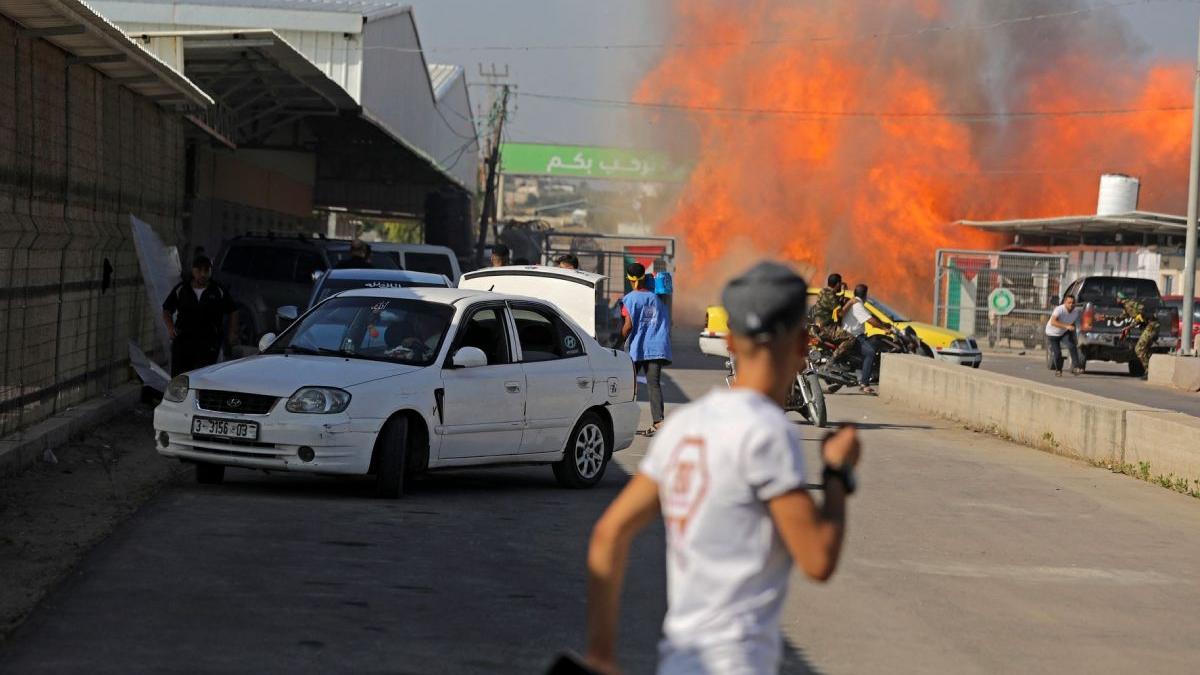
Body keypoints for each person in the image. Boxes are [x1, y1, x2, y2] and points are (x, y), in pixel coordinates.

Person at [585, 261, 860, 675]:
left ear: (730, 342)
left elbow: (609, 535)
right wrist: (837, 474)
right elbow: (818, 559)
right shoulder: (767, 432)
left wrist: (602, 655)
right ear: (803, 346)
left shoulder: (684, 427)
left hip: (678, 661)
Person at [162, 255, 238, 376]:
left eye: (206, 270)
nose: (203, 274)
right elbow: (166, 309)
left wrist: (232, 333)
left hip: (208, 343)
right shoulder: (182, 289)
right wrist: (170, 328)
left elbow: (233, 310)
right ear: (193, 271)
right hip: (183, 341)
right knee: (180, 377)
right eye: (199, 270)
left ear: (210, 271)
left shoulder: (218, 290)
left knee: (202, 376)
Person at [621, 262, 672, 435]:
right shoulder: (659, 296)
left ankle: (621, 423)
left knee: (627, 385)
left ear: (629, 279)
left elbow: (627, 327)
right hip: (657, 347)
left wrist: (617, 342)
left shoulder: (629, 299)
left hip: (637, 349)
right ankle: (658, 422)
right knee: (654, 385)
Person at [840, 283, 891, 395]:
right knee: (870, 352)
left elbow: (871, 317)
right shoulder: (857, 305)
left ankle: (859, 372)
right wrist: (884, 328)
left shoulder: (856, 303)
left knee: (871, 345)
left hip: (854, 335)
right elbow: (870, 320)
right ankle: (864, 384)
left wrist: (884, 323)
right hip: (854, 337)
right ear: (865, 294)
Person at [1118, 291, 1159, 377]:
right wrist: (1105, 317)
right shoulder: (1127, 306)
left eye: (1117, 298)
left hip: (1151, 326)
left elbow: (1139, 318)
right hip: (1152, 325)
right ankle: (1151, 371)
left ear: (1120, 299)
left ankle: (1148, 371)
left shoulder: (1129, 305)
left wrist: (1128, 327)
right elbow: (1120, 318)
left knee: (1139, 349)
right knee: (1145, 349)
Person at [813, 273, 853, 359]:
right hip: (826, 328)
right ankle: (834, 360)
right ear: (838, 284)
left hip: (820, 326)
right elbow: (841, 313)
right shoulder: (830, 296)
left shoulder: (823, 291)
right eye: (840, 283)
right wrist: (851, 302)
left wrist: (843, 292)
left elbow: (836, 302)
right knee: (850, 338)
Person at [1045, 294, 1083, 376]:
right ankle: (1058, 370)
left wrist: (1097, 317)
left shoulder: (1075, 312)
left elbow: (1083, 317)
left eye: (1073, 303)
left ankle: (1076, 367)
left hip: (1063, 333)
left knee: (1072, 346)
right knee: (1058, 353)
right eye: (1069, 303)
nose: (1071, 305)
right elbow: (1053, 322)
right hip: (1052, 334)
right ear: (1065, 303)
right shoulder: (1059, 310)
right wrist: (1067, 326)